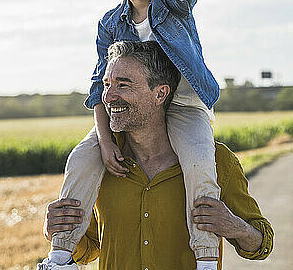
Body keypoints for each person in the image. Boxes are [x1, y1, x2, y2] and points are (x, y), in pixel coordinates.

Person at [38, 0, 221, 270]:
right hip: (130, 109)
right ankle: (61, 255)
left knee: (199, 161)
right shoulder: (110, 24)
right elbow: (99, 87)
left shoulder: (168, 1)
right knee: (81, 159)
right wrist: (106, 143)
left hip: (181, 104)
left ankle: (207, 258)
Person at [43, 41, 273, 269]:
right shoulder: (98, 164)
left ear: (160, 94)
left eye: (123, 85)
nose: (108, 97)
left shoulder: (216, 161)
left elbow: (262, 244)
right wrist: (56, 231)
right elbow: (90, 249)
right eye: (106, 85)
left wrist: (235, 226)